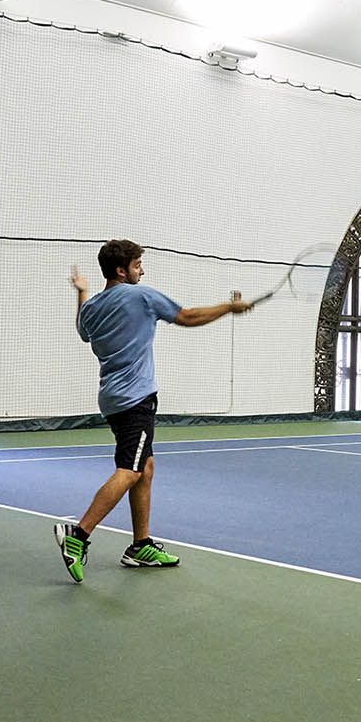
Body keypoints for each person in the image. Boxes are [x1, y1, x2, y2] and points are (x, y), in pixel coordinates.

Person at [53, 239, 251, 583]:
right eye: (138, 265)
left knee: (145, 467)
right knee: (130, 470)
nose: (142, 270)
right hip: (135, 399)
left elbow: (83, 331)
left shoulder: (92, 307)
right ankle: (79, 535)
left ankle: (140, 545)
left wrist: (82, 292)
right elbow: (187, 317)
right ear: (121, 270)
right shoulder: (141, 297)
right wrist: (228, 308)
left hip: (112, 399)